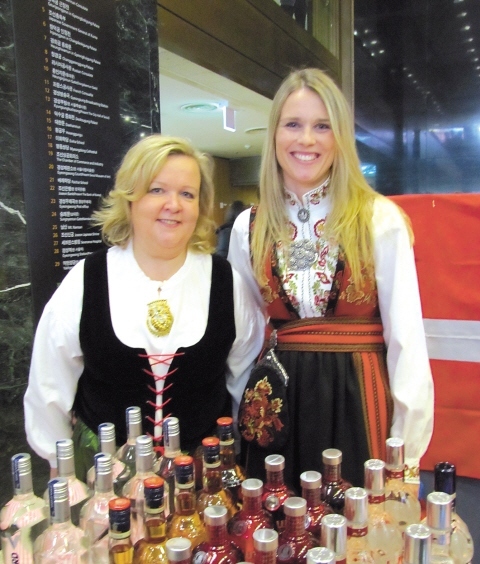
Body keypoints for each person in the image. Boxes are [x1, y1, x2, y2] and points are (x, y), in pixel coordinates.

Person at [228, 68, 434, 491]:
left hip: (357, 394)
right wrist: (236, 421)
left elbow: (406, 340)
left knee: (353, 535)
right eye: (293, 125)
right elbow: (244, 338)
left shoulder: (379, 218)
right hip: (277, 403)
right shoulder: (249, 226)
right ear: (274, 135)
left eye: (322, 126)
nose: (307, 140)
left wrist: (406, 453)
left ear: (340, 136)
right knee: (278, 536)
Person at [24, 134, 265, 481]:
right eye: (157, 190)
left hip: (202, 483)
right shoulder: (87, 279)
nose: (174, 204)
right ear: (130, 198)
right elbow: (49, 388)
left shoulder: (227, 282)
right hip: (104, 485)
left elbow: (243, 383)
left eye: (187, 193)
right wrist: (62, 474)